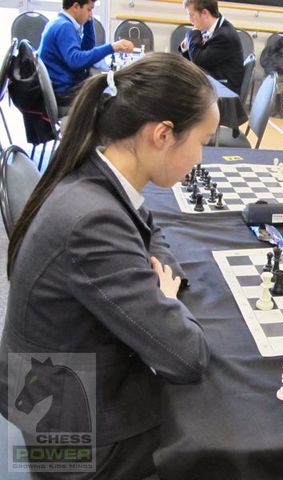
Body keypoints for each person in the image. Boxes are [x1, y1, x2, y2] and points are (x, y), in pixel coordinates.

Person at [0, 53, 218, 479]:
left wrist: (158, 283)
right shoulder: (92, 222)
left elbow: (150, 229)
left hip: (63, 387)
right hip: (68, 439)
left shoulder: (97, 169)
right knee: (219, 430)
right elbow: (187, 356)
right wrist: (166, 299)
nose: (200, 158)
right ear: (162, 134)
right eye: (202, 141)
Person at [39, 0, 134, 110]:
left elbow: (87, 49)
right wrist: (112, 47)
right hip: (64, 94)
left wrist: (88, 22)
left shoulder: (61, 22)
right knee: (113, 98)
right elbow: (76, 61)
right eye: (89, 9)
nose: (90, 14)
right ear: (75, 6)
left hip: (63, 88)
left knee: (104, 86)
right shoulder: (64, 27)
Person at [181, 0, 244, 95]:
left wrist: (192, 33)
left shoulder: (224, 35)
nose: (190, 20)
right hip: (213, 82)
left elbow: (198, 62)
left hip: (223, 93)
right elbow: (193, 56)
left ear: (204, 13)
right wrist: (189, 43)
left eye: (192, 15)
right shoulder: (214, 29)